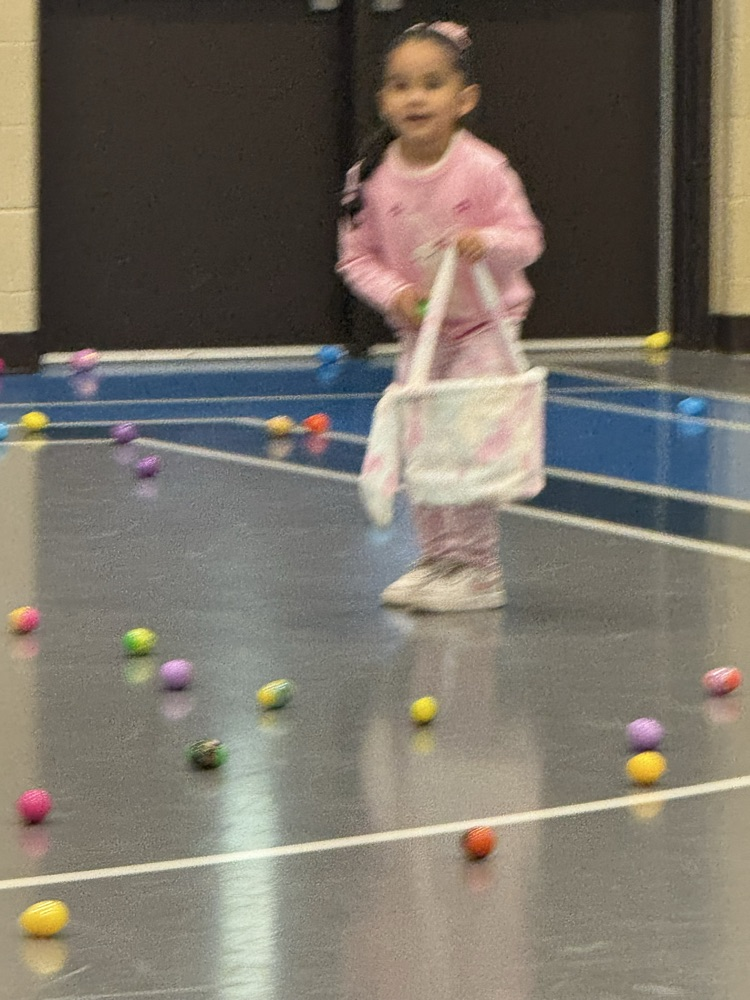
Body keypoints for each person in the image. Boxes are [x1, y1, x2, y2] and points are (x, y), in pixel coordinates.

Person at [336, 21, 544, 614]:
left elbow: (527, 239)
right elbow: (356, 257)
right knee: (424, 443)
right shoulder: (369, 178)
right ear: (384, 100)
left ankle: (479, 569)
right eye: (401, 86)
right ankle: (436, 558)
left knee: (464, 439)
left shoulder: (483, 169)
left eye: (431, 84)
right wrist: (396, 292)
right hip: (422, 335)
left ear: (464, 100)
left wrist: (489, 242)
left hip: (484, 327)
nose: (416, 97)